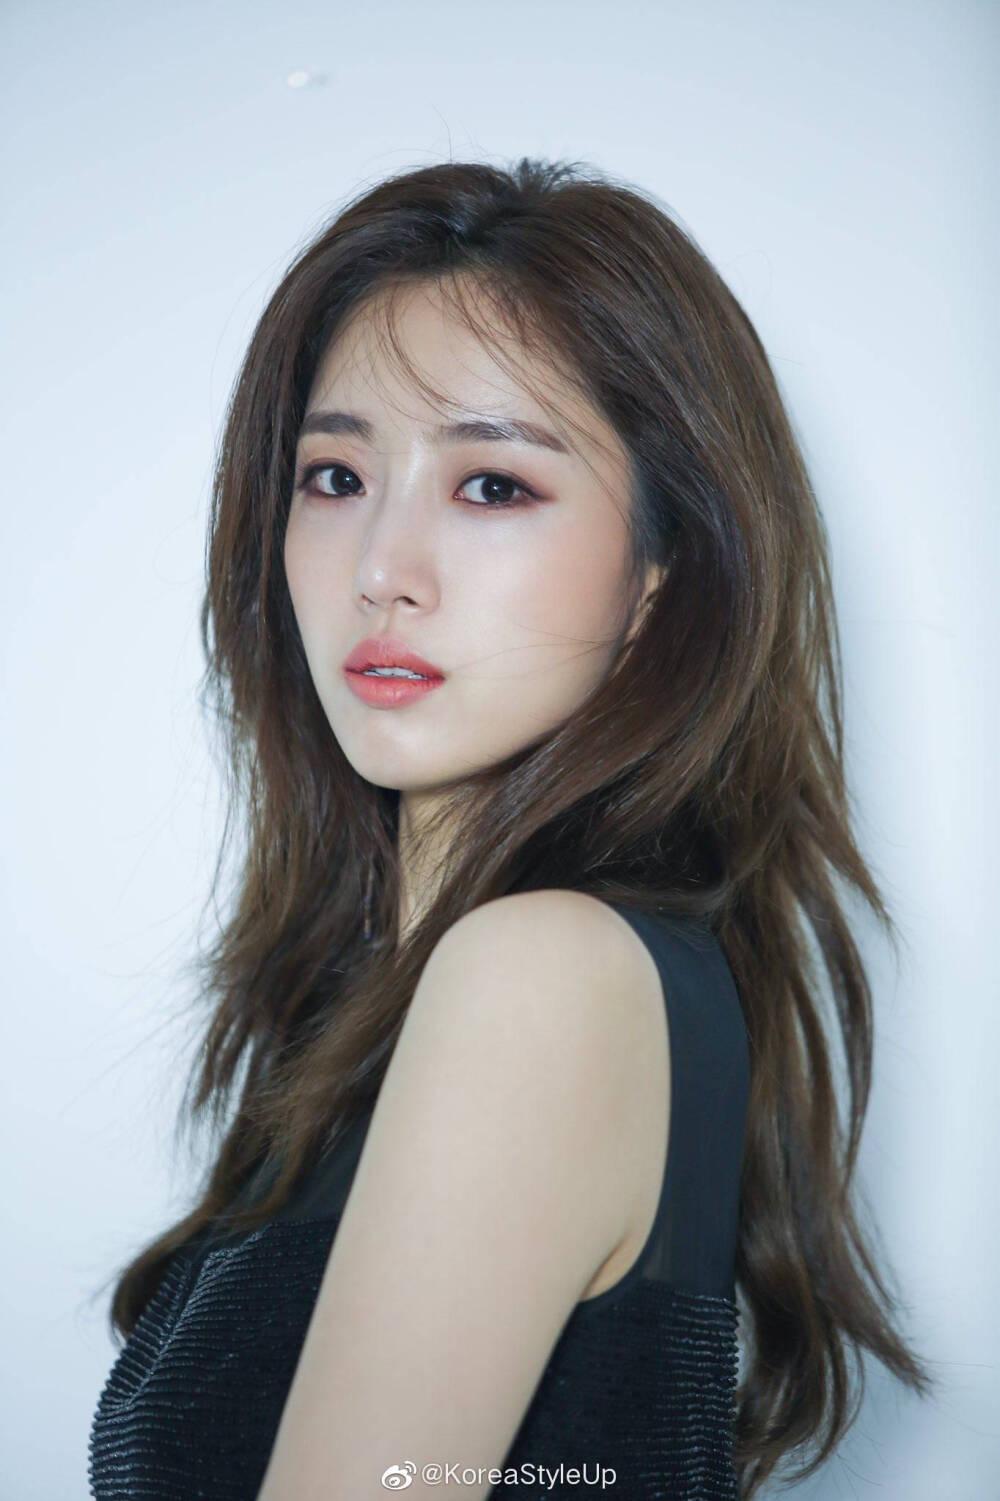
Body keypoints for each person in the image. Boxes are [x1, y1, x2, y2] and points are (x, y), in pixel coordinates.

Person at [88, 157, 934, 1500]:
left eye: (491, 486)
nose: (382, 570)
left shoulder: (542, 975)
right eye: (333, 475)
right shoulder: (439, 993)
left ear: (663, 569)